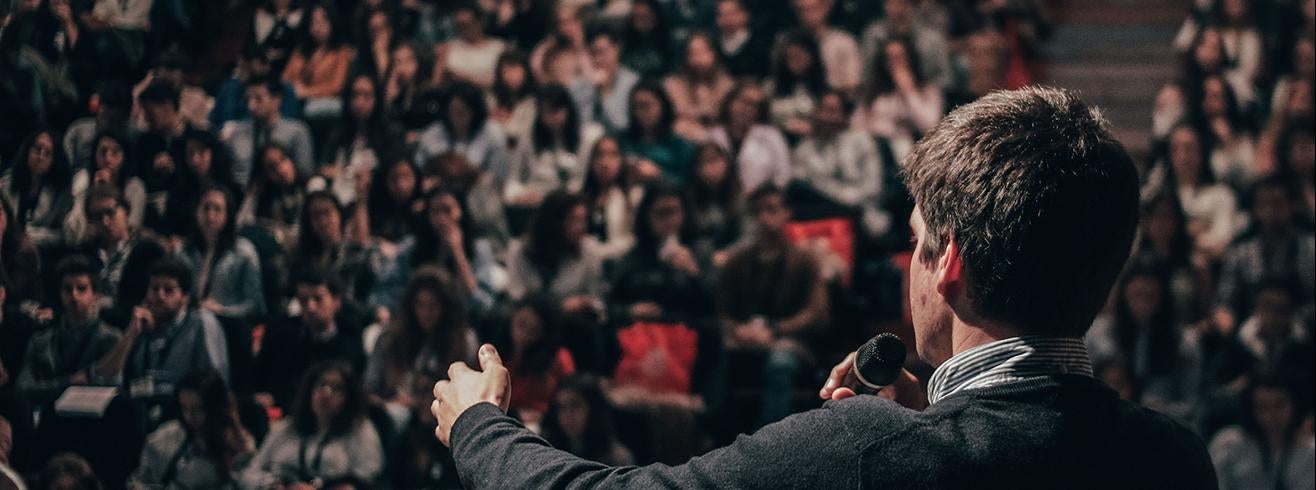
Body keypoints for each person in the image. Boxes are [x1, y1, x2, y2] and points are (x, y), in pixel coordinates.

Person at [430, 88, 1217, 487]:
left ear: (951, 266)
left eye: (916, 243)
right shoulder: (1175, 462)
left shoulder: (861, 453)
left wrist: (480, 427)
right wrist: (941, 420)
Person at [717, 184, 830, 427]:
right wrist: (738, 330)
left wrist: (775, 329)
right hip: (744, 339)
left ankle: (769, 441)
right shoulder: (737, 261)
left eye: (771, 209)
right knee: (717, 355)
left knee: (780, 362)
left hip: (791, 342)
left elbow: (816, 313)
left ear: (786, 213)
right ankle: (716, 438)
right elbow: (721, 312)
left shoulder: (804, 259)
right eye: (758, 212)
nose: (765, 218)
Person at [97, 258, 230, 413]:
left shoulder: (201, 322)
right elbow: (108, 378)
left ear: (185, 297)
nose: (160, 296)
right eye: (154, 288)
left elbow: (215, 384)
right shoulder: (140, 324)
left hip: (185, 413)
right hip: (140, 410)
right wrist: (131, 333)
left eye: (168, 290)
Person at [240, 361, 384, 488]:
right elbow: (250, 472)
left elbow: (367, 477)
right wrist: (273, 485)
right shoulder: (287, 427)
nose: (326, 393)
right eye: (321, 384)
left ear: (349, 397)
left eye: (336, 388)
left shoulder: (360, 431)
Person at [14, 256, 120, 404]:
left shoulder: (110, 338)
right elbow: (23, 388)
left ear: (95, 294)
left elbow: (112, 387)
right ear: (60, 293)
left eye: (81, 289)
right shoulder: (41, 340)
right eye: (68, 289)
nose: (74, 296)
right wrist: (70, 382)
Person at [256, 271, 367, 411]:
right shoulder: (281, 335)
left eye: (318, 299)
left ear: (336, 302)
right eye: (303, 300)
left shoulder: (350, 342)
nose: (310, 307)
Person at [129, 370, 256, 488]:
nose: (190, 417)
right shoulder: (166, 435)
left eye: (198, 409)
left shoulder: (236, 443)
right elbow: (141, 479)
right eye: (184, 408)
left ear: (215, 408)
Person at [791, 90, 889, 237]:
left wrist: (847, 201)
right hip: (825, 218)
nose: (826, 117)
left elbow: (873, 187)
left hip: (865, 214)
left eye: (833, 111)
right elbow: (805, 191)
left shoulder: (861, 141)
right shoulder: (803, 150)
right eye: (822, 110)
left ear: (844, 116)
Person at [178, 186, 266, 322]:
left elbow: (256, 306)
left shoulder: (244, 252)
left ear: (228, 215)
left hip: (228, 324)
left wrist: (223, 310)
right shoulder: (184, 250)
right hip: (189, 321)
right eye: (206, 208)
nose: (210, 216)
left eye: (217, 210)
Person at [1209, 377, 1315, 490]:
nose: (1271, 417)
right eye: (1262, 407)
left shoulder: (1310, 452)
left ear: (1295, 404)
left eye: (1279, 405)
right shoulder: (1229, 444)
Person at [225, 75, 316, 187]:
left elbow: (305, 174)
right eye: (248, 99)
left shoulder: (297, 131)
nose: (250, 106)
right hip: (241, 195)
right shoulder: (237, 133)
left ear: (276, 100)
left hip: (283, 195)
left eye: (258, 99)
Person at [413, 81, 511, 183]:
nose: (456, 118)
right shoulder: (434, 132)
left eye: (462, 113)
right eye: (452, 111)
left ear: (475, 111)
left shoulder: (492, 133)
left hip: (480, 192)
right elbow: (419, 168)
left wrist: (473, 174)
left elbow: (500, 175)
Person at [707, 82, 793, 193]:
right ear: (730, 102)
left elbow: (783, 175)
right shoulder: (711, 136)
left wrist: (760, 194)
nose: (747, 108)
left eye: (754, 105)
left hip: (760, 202)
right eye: (744, 101)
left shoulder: (772, 136)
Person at [538, 374, 634, 466]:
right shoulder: (548, 449)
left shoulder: (616, 458)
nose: (567, 415)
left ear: (594, 409)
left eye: (575, 405)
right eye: (561, 407)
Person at [1, 130, 74, 247]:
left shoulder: (61, 191)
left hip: (43, 251)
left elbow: (64, 235)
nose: (41, 157)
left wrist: (32, 236)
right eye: (37, 149)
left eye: (47, 153)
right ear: (27, 151)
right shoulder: (6, 183)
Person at [282, 3, 356, 119]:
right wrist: (295, 87)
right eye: (313, 22)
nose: (317, 27)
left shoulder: (341, 52)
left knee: (309, 109)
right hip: (296, 97)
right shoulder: (300, 51)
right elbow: (285, 77)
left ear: (332, 23)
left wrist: (307, 92)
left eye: (322, 22)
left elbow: (337, 87)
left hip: (324, 100)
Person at [618, 82, 695, 185]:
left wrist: (659, 176)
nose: (641, 112)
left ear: (663, 106)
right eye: (636, 107)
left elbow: (688, 183)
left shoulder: (679, 145)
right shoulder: (623, 140)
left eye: (646, 106)